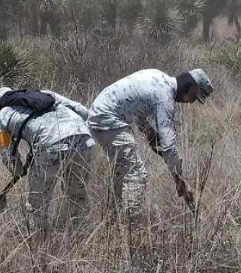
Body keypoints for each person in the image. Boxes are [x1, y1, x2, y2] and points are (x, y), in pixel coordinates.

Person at [87, 68, 213, 217]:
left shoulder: (158, 76)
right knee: (137, 174)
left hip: (100, 115)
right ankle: (130, 223)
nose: (192, 102)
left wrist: (148, 131)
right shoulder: (165, 97)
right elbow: (169, 145)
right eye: (196, 96)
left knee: (124, 172)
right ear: (191, 87)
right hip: (108, 120)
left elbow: (133, 104)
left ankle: (115, 217)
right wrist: (180, 178)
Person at [0, 87, 95, 231]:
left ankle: (40, 239)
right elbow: (82, 111)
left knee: (38, 202)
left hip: (50, 144)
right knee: (77, 194)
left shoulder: (2, 116)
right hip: (84, 138)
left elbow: (9, 156)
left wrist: (18, 171)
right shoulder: (45, 94)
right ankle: (79, 233)